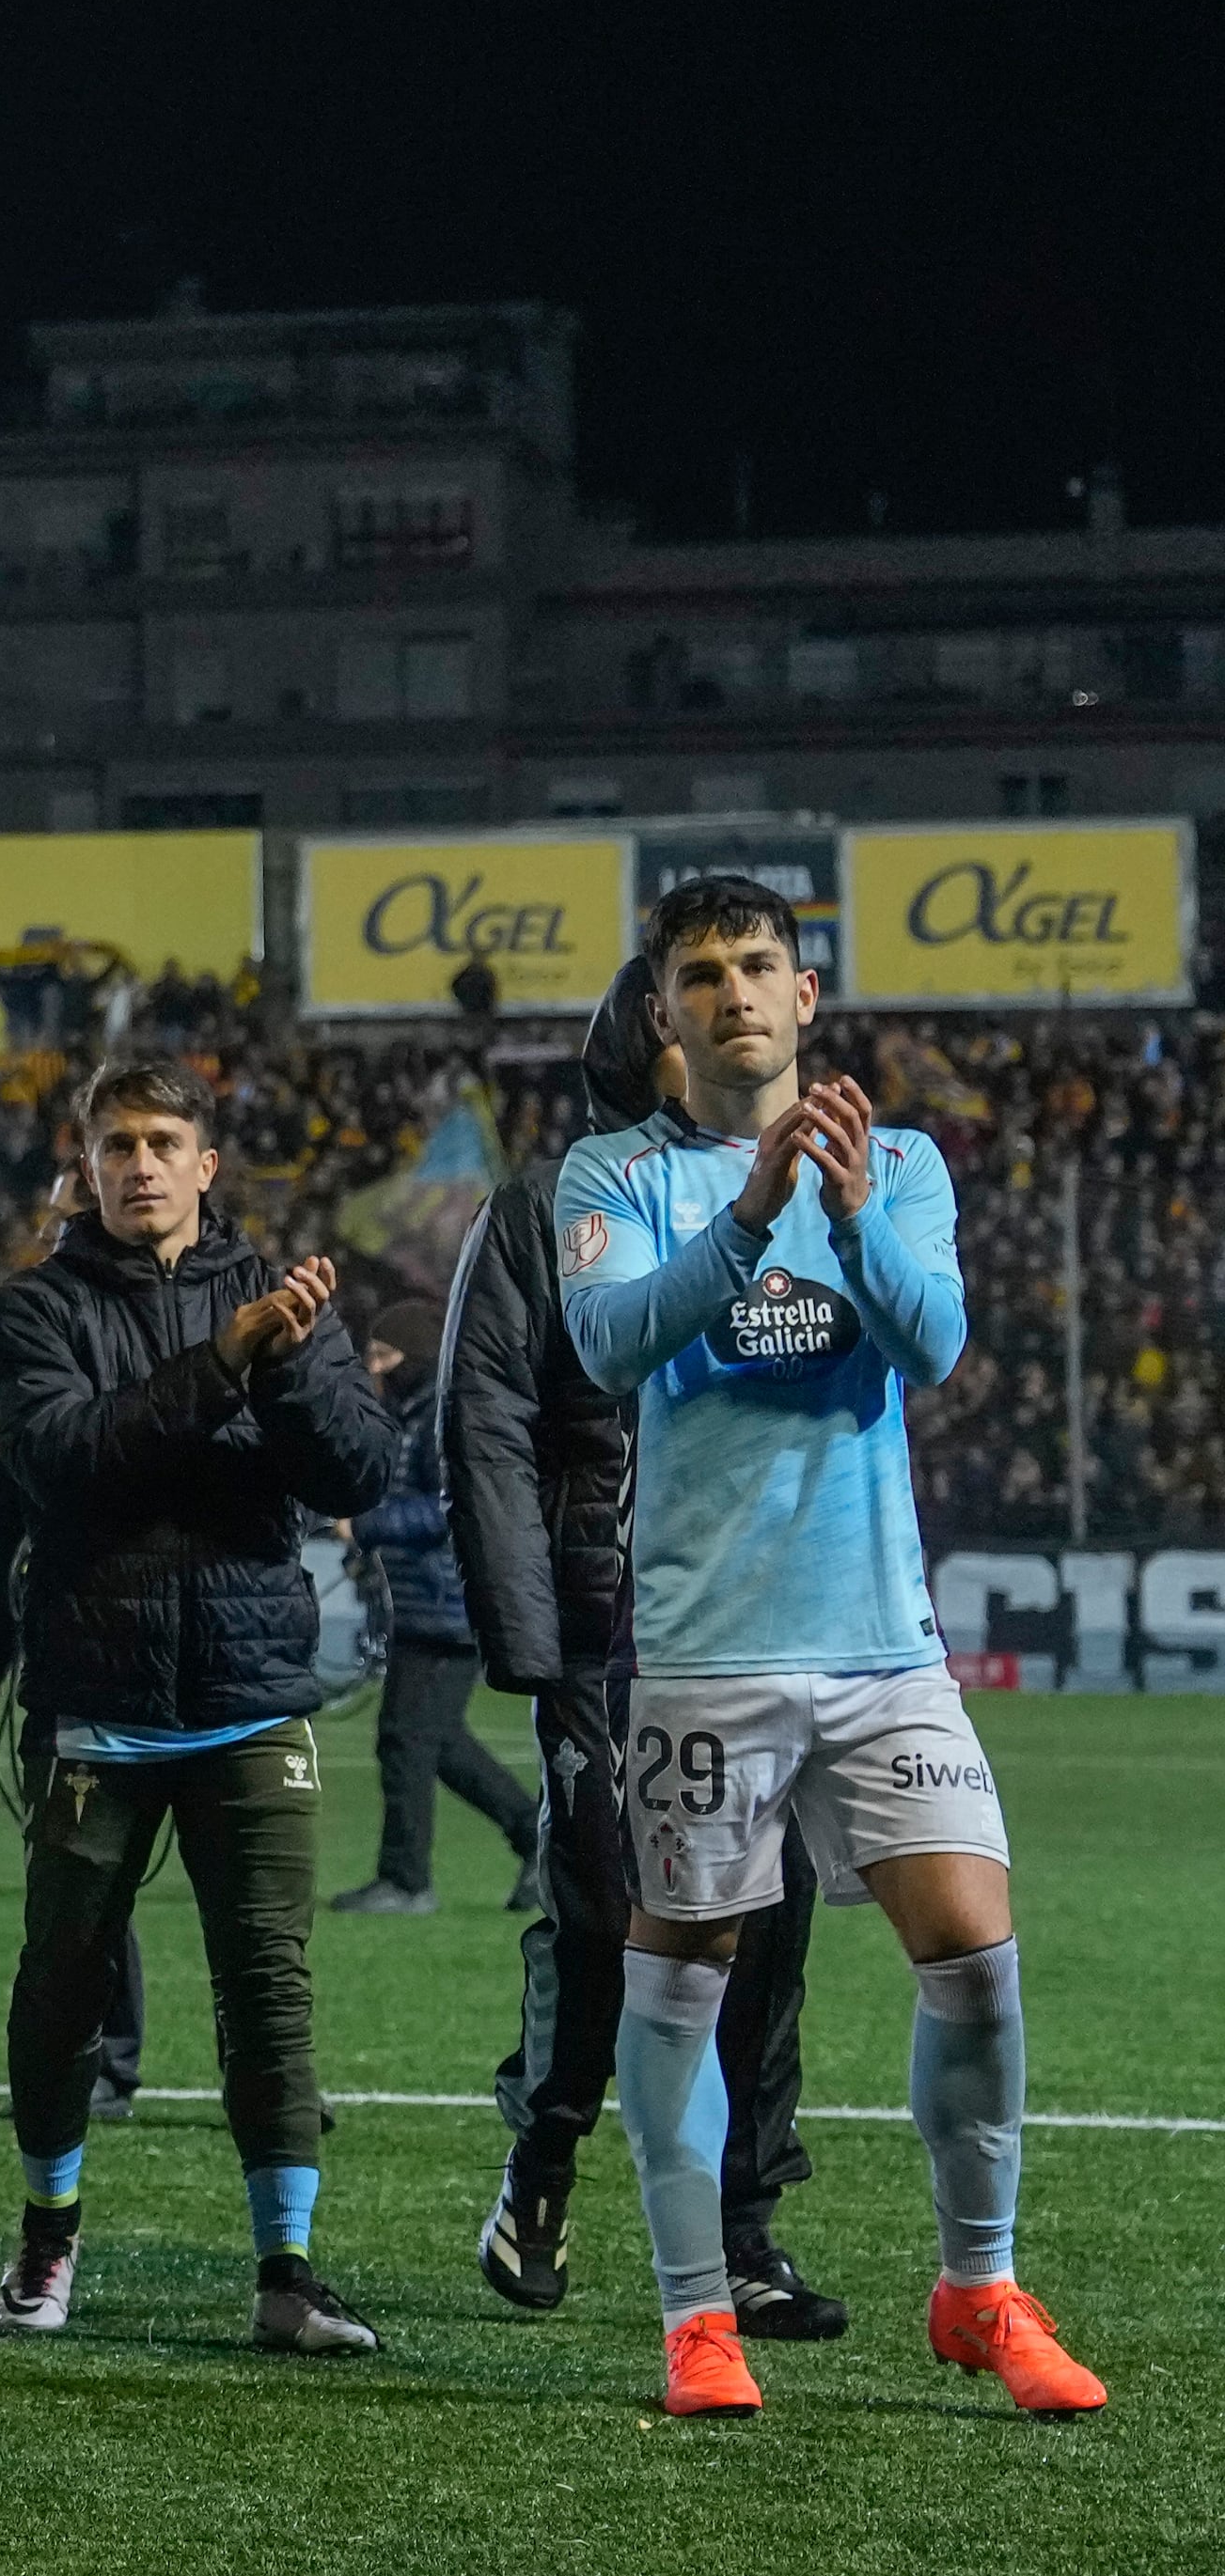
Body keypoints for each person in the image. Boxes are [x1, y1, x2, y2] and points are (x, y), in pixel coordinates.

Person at [558, 873, 1103, 2419]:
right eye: (701, 972)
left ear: (806, 996)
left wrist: (848, 1210)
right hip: (708, 1649)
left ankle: (979, 2289)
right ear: (663, 1011)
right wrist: (749, 1214)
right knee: (684, 1977)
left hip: (880, 1646)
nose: (734, 991)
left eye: (758, 965)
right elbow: (608, 1345)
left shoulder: (903, 1162)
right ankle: (694, 2316)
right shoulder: (611, 1173)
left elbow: (932, 1341)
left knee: (978, 1963)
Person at [0, 1058, 398, 2355]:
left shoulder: (280, 1300)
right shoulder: (30, 1310)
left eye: (165, 1142)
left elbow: (359, 1467)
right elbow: (70, 1462)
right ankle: (49, 2235)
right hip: (99, 1701)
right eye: (118, 1144)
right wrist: (225, 1359)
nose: (142, 1165)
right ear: (86, 1162)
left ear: (209, 1164)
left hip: (249, 1697)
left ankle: (289, 2269)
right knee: (65, 1984)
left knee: (269, 1987)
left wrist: (278, 1366)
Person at [450, 954, 839, 2330]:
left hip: (755, 1617)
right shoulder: (550, 1206)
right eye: (684, 1014)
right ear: (642, 1043)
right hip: (607, 1633)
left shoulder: (787, 1184)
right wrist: (532, 1640)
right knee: (611, 1913)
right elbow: (487, 1421)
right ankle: (545, 2164)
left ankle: (743, 2225)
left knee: (771, 1916)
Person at [331, 1295, 542, 1913]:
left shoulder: (443, 1418)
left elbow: (451, 1508)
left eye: (383, 1355)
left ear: (416, 1357)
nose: (373, 1368)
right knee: (438, 1741)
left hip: (451, 1608)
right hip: (432, 1605)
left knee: (404, 1739)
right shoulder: (416, 1415)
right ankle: (539, 1841)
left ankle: (405, 1879)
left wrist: (365, 1528)